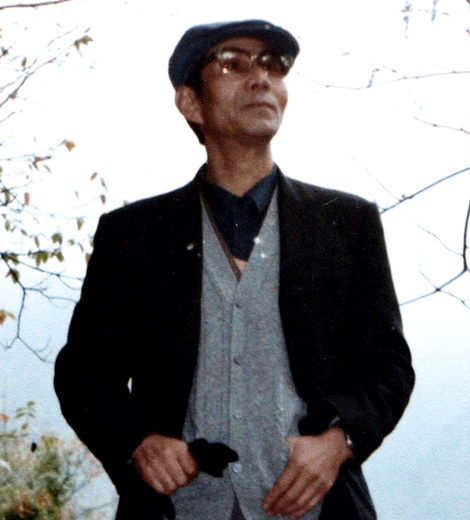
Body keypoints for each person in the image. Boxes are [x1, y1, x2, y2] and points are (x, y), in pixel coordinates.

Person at [54, 20, 415, 520]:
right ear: (190, 103)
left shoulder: (347, 222)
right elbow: (84, 372)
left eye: (273, 65)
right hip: (176, 509)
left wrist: (340, 439)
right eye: (233, 64)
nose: (260, 78)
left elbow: (388, 366)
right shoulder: (134, 234)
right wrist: (138, 440)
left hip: (318, 510)